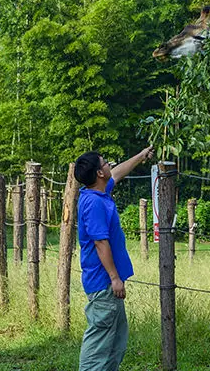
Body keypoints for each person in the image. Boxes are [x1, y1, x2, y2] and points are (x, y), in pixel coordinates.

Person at [74, 146, 154, 371]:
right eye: (105, 162)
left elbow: (118, 173)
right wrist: (114, 278)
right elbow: (100, 243)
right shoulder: (95, 203)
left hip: (107, 282)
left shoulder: (98, 191)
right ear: (99, 173)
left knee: (115, 341)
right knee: (99, 341)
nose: (109, 165)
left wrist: (140, 156)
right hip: (103, 282)